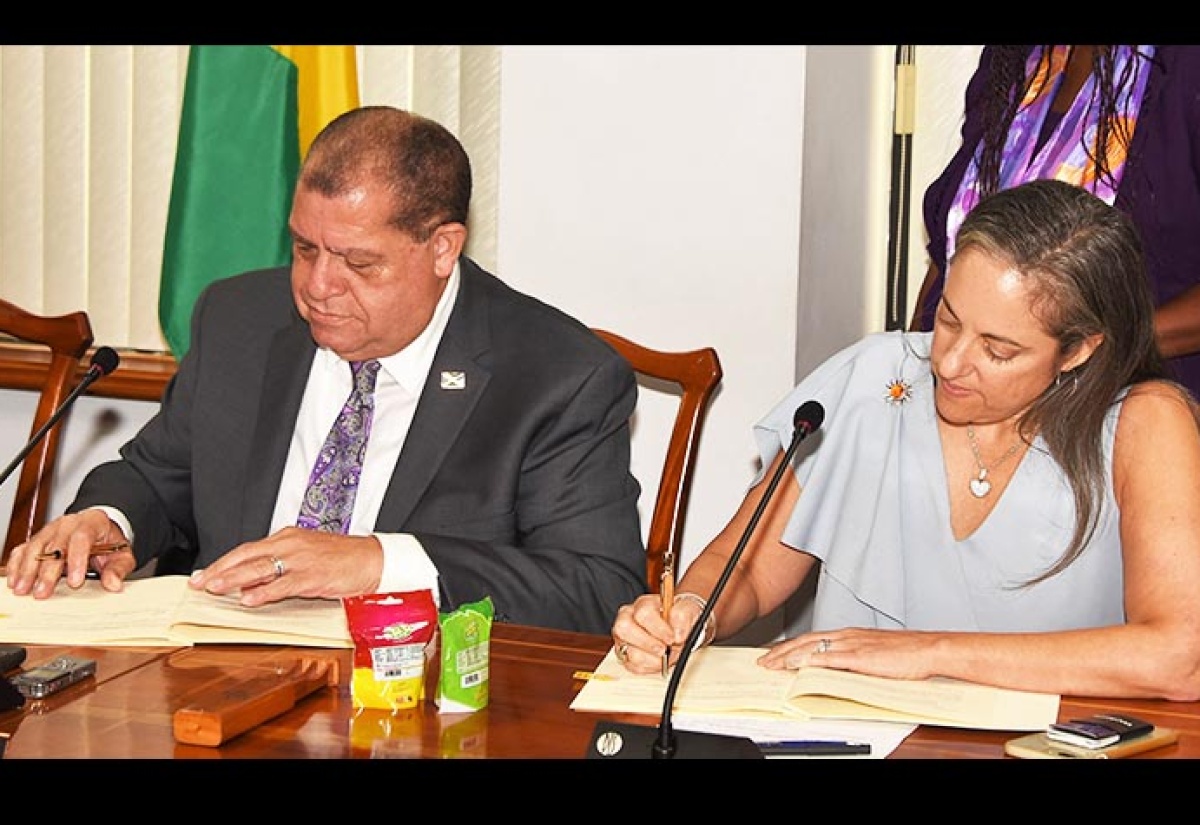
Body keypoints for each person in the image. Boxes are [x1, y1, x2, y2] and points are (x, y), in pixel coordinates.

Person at [4, 105, 647, 636]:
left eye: (358, 264)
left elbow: (595, 587)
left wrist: (377, 563)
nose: (317, 286)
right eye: (304, 248)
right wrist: (109, 522)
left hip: (420, 703)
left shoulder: (557, 376)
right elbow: (160, 474)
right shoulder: (239, 318)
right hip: (222, 676)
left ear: (443, 248)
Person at [612, 179, 1200, 701]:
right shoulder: (878, 378)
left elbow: (1180, 659)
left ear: (1080, 350)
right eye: (948, 320)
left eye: (998, 350)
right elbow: (751, 570)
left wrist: (930, 654)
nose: (950, 362)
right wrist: (692, 614)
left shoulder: (1143, 423)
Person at [911, 46, 1200, 400]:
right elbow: (953, 247)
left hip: (1114, 411)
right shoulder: (1013, 57)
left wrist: (1087, 353)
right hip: (964, 401)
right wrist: (910, 374)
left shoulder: (1185, 68)